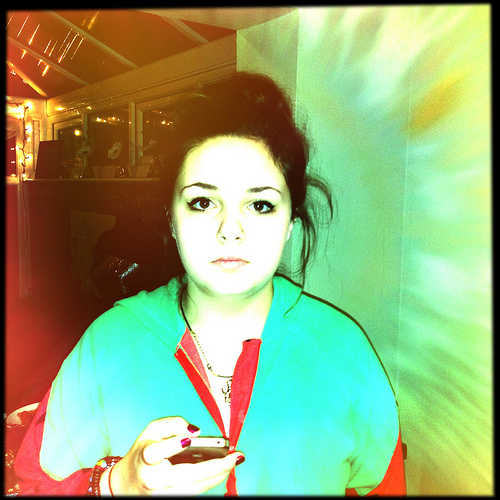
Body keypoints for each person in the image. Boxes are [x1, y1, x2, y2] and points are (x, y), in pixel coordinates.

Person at [14, 72, 406, 495]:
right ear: (171, 219)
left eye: (260, 204)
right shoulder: (107, 345)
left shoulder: (343, 350)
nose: (230, 230)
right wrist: (116, 484)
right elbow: (33, 486)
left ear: (290, 223)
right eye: (202, 202)